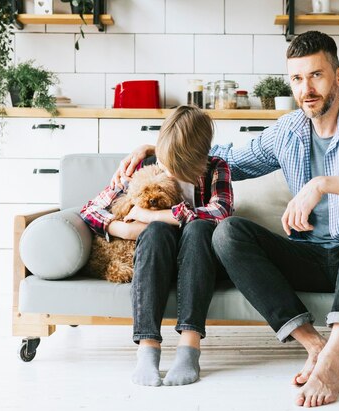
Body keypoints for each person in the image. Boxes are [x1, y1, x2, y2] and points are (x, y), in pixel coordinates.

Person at [111, 31, 339, 406]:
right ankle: (313, 343)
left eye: (316, 75)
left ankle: (334, 360)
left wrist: (322, 184)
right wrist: (159, 148)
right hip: (313, 257)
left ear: (338, 76)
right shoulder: (288, 131)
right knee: (226, 232)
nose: (306, 88)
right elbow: (226, 160)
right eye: (296, 78)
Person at [81, 105, 233, 387]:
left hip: (198, 261)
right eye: (163, 162)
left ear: (197, 158)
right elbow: (90, 210)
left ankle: (189, 349)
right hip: (156, 256)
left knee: (199, 227)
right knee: (156, 232)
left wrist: (152, 215)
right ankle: (147, 348)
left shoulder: (216, 168)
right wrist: (123, 228)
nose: (167, 170)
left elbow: (221, 212)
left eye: (175, 165)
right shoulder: (141, 165)